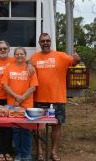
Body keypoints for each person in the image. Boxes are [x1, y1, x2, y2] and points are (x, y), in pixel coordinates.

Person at [30, 33, 80, 161]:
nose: (45, 43)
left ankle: (53, 151)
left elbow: (74, 62)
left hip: (57, 98)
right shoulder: (34, 57)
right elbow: (27, 64)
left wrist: (77, 59)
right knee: (37, 127)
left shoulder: (61, 56)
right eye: (42, 41)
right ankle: (40, 151)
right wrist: (29, 64)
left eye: (47, 40)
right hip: (38, 99)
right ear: (39, 43)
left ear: (50, 42)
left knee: (57, 125)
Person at [2, 47, 38, 161]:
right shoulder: (9, 68)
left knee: (26, 130)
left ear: (25, 55)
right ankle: (18, 154)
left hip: (26, 104)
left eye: (21, 54)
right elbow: (5, 85)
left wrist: (21, 98)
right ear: (14, 56)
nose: (19, 56)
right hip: (13, 105)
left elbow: (33, 87)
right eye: (17, 54)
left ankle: (27, 155)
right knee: (16, 131)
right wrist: (16, 97)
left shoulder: (31, 69)